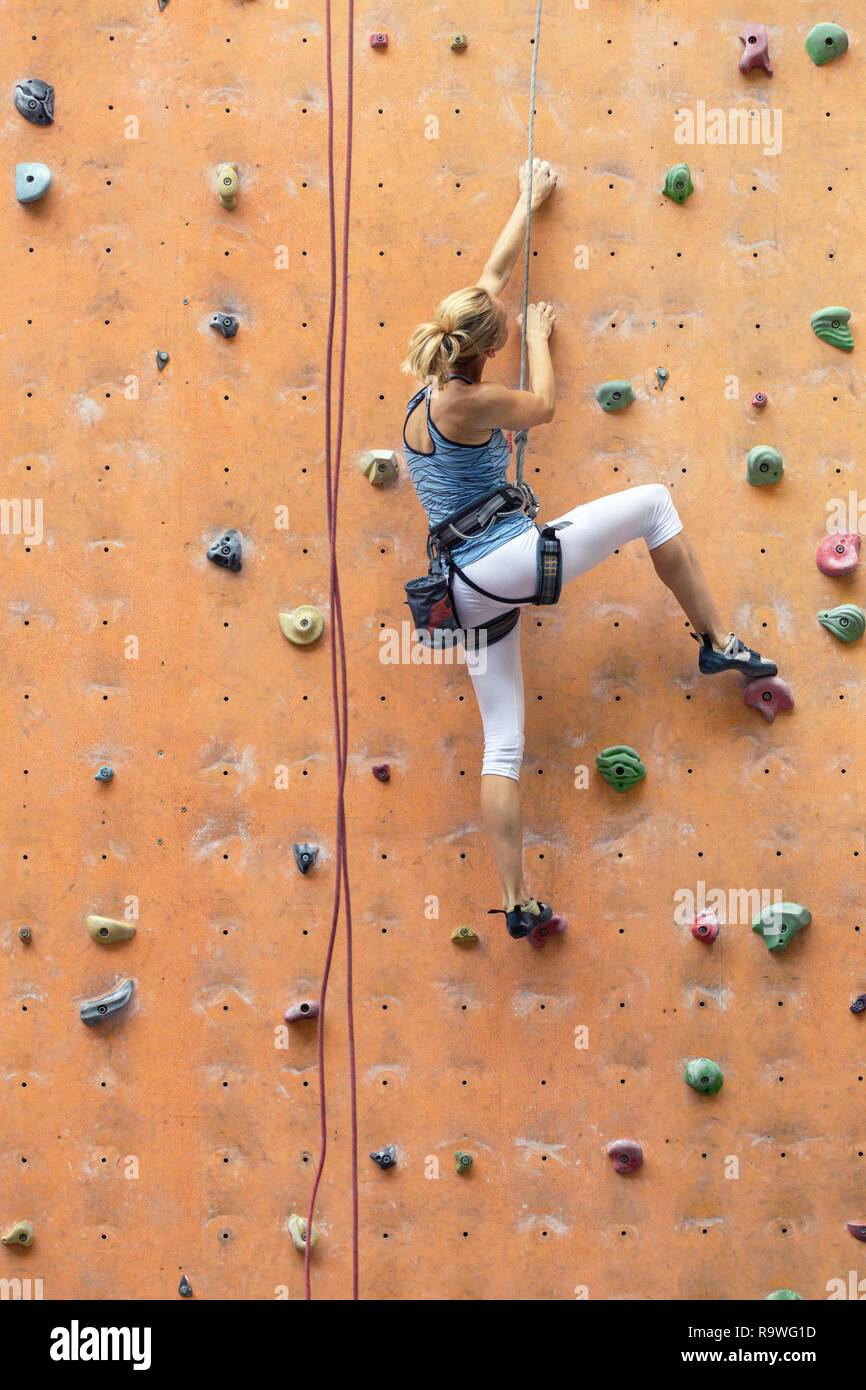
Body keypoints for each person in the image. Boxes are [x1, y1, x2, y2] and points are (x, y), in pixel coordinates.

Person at [400, 160, 778, 940]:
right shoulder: (475, 401)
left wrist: (525, 201)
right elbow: (538, 407)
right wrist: (538, 340)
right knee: (653, 504)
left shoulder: (424, 393)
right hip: (501, 559)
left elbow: (491, 276)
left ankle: (515, 901)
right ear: (482, 352)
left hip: (458, 588)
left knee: (502, 743)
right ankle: (715, 639)